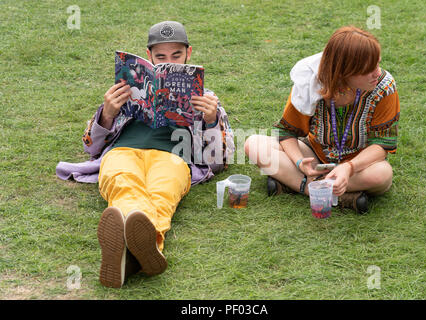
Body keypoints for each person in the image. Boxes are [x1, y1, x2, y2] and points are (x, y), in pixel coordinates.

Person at [56, 21, 235, 288]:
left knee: (163, 192)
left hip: (173, 157)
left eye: (176, 55)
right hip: (122, 151)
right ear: (148, 56)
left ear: (189, 53)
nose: (168, 61)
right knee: (123, 183)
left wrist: (210, 120)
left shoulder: (206, 97)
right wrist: (107, 112)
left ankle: (128, 253)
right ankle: (149, 249)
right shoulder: (124, 89)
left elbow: (220, 160)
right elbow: (90, 146)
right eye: (160, 57)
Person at [244, 26, 400, 214]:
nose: (377, 72)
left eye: (378, 63)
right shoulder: (310, 83)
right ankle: (326, 192)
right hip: (316, 157)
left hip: (360, 165)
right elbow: (287, 133)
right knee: (254, 144)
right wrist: (300, 163)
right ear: (345, 71)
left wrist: (349, 168)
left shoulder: (384, 86)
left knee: (382, 175)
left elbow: (382, 145)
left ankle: (295, 184)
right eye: (368, 69)